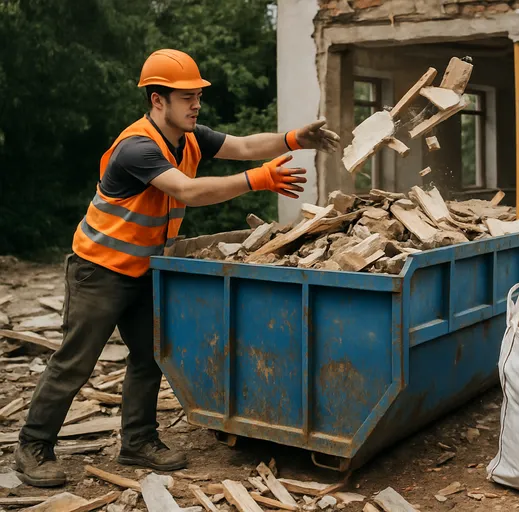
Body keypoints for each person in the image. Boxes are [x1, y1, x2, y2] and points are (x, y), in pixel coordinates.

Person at [14, 49, 340, 487]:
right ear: (157, 100)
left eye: (197, 95)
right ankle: (32, 447)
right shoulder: (136, 149)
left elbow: (242, 146)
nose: (195, 104)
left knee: (150, 356)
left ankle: (138, 442)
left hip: (144, 268)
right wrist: (256, 180)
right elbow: (186, 191)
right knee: (75, 362)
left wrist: (295, 138)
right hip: (99, 269)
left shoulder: (189, 136)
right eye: (185, 96)